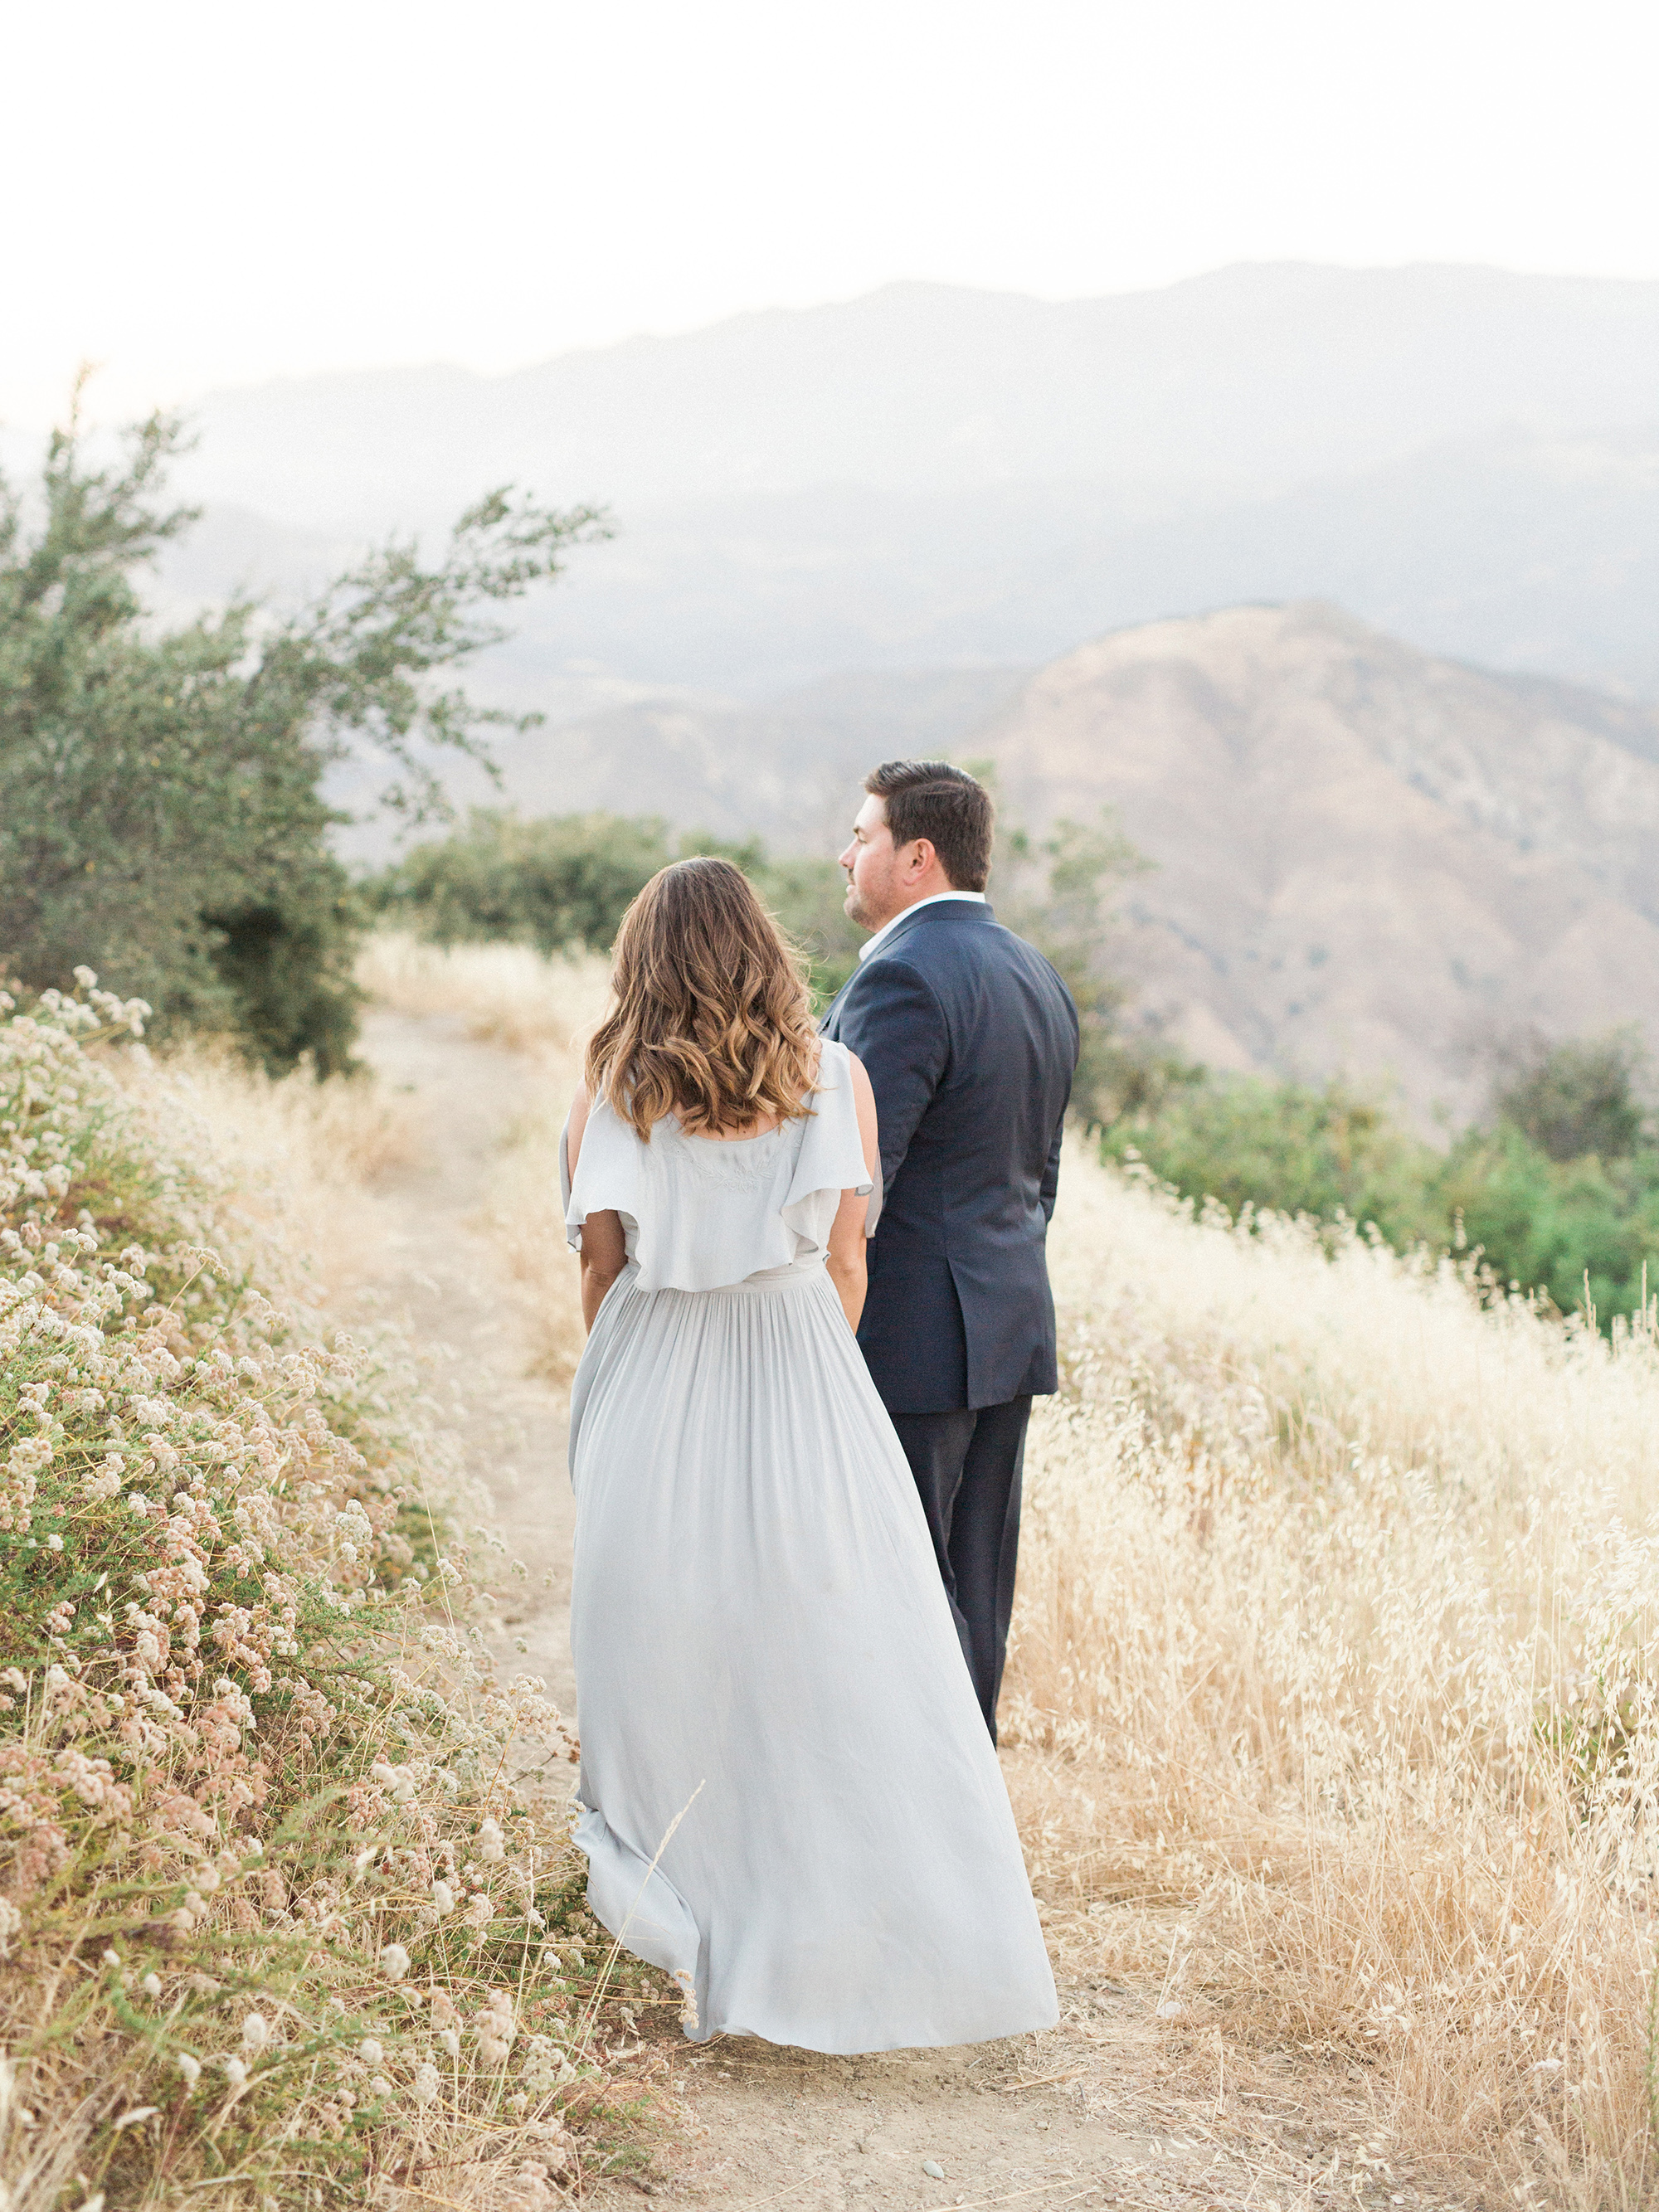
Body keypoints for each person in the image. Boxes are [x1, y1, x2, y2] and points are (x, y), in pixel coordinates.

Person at [561, 856, 1057, 2053]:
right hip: (801, 1357)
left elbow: (598, 1261)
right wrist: (809, 1375)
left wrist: (620, 1376)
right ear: (764, 952)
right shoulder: (834, 1075)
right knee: (825, 1646)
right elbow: (847, 1261)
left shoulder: (613, 1080)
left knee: (653, 1648)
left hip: (657, 1358)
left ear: (644, 960)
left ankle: (684, 1917)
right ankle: (833, 1929)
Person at [820, 762, 1079, 1740]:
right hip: (1006, 1329)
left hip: (905, 1340)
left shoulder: (899, 977)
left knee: (891, 1593)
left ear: (915, 856)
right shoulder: (1034, 974)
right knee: (974, 1593)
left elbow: (855, 1181)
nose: (845, 855)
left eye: (861, 835)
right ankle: (963, 1825)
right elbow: (1039, 1175)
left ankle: (904, 1833)